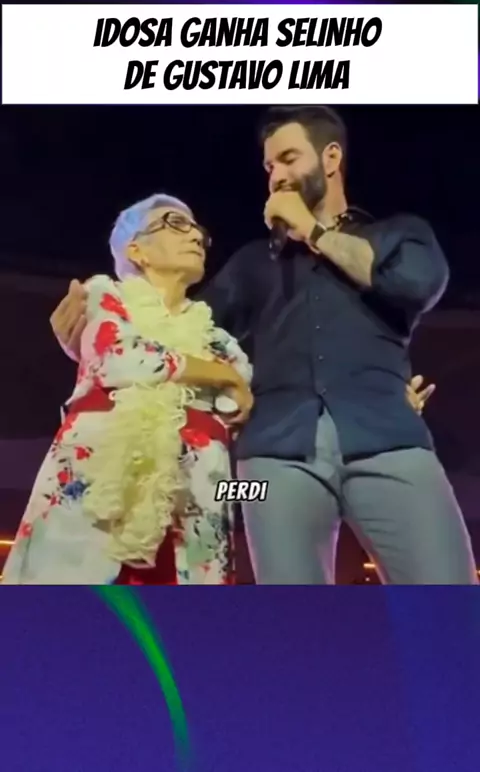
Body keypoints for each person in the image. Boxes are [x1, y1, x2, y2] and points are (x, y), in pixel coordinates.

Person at [49, 106, 477, 585]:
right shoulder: (254, 263)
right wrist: (91, 346)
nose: (277, 176)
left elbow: (416, 284)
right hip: (269, 459)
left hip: (390, 437)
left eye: (289, 159)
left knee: (450, 597)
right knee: (291, 615)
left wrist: (312, 230)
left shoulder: (398, 235)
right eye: (270, 166)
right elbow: (182, 333)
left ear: (331, 158)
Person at [3, 194, 253, 585]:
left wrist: (226, 380)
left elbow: (234, 398)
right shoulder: (104, 294)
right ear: (137, 250)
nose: (195, 236)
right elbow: (121, 357)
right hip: (98, 493)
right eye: (176, 224)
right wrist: (219, 376)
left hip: (195, 502)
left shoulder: (217, 338)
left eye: (198, 231)